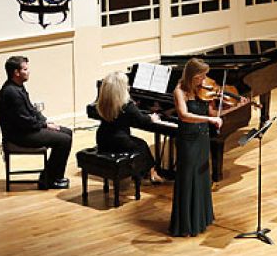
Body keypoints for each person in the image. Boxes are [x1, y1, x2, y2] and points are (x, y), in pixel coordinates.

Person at [0, 55, 73, 190]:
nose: (28, 71)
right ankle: (50, 180)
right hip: (20, 135)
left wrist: (45, 121)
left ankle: (50, 176)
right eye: (25, 69)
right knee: (64, 140)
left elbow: (31, 110)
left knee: (67, 132)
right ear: (16, 72)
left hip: (26, 130)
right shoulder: (11, 93)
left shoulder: (18, 88)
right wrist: (45, 125)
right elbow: (24, 122)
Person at [168, 58, 223, 237]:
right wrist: (209, 120)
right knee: (187, 178)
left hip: (202, 138)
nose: (204, 80)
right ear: (191, 76)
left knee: (201, 178)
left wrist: (230, 104)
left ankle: (201, 220)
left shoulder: (204, 91)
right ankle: (185, 225)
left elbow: (213, 114)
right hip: (188, 139)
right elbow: (184, 115)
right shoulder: (179, 92)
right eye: (200, 76)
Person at [95, 71, 163, 183]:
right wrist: (152, 118)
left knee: (138, 144)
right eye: (126, 85)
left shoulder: (103, 101)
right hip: (119, 141)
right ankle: (150, 173)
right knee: (142, 145)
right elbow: (142, 120)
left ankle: (146, 172)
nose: (129, 87)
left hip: (102, 139)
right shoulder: (126, 105)